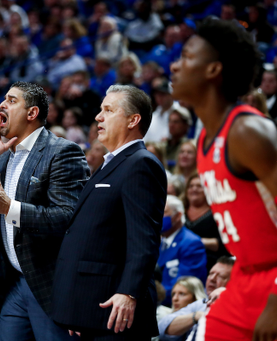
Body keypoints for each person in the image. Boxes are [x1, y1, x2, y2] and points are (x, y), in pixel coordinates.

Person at [170, 18, 277, 340]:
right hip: (243, 276)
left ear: (213, 70)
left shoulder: (247, 131)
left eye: (188, 57)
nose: (176, 66)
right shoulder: (206, 137)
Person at [0, 81, 90, 341]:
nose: (2, 105)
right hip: (11, 283)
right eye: (3, 99)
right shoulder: (0, 155)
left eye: (12, 100)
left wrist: (10, 208)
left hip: (49, 284)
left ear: (32, 113)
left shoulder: (62, 152)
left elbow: (67, 217)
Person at [51, 85, 167, 340]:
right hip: (93, 309)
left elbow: (144, 240)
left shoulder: (141, 164)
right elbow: (94, 241)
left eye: (108, 110)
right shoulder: (110, 164)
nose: (98, 117)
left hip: (117, 313)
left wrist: (129, 293)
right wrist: (77, 306)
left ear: (132, 120)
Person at [158, 257, 235, 341]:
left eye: (221, 276)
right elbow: (161, 328)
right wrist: (196, 316)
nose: (212, 278)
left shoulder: (238, 308)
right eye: (211, 273)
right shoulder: (201, 304)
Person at [158, 195, 207, 307]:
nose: (158, 215)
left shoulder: (192, 243)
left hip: (174, 305)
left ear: (178, 216)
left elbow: (183, 285)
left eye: (164, 212)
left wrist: (153, 296)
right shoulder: (158, 241)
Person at [183, 174, 230, 273]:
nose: (194, 189)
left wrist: (198, 241)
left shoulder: (218, 214)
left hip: (209, 263)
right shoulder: (178, 212)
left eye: (199, 186)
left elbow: (226, 242)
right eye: (191, 186)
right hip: (181, 260)